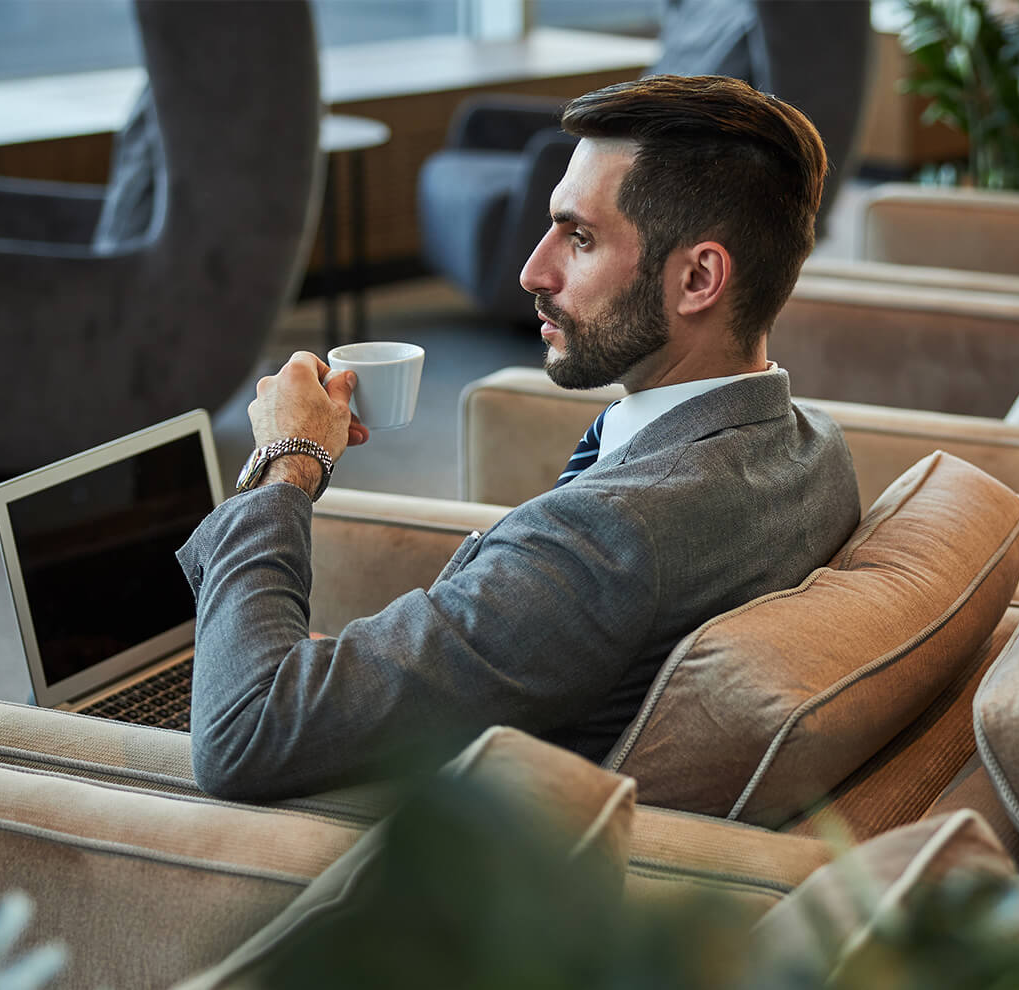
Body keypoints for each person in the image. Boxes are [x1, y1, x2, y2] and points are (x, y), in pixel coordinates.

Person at [178, 75, 861, 800]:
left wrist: (290, 460)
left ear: (698, 278)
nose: (533, 270)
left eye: (581, 238)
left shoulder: (612, 539)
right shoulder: (814, 449)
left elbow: (243, 732)